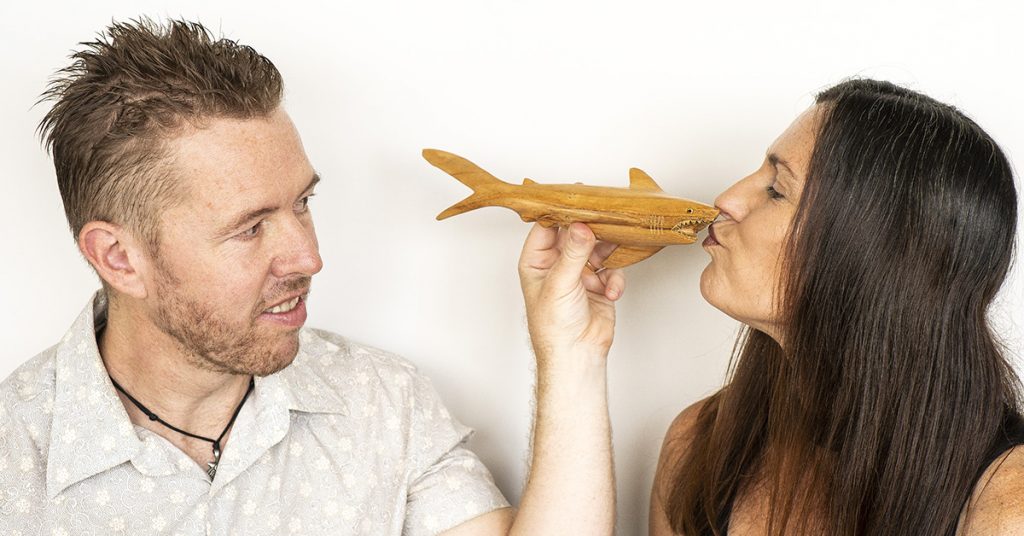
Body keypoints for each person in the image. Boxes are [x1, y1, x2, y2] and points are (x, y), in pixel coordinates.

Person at [0, 18, 618, 535]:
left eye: (302, 203)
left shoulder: (382, 402)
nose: (308, 258)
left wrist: (572, 352)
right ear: (118, 258)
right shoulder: (13, 461)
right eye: (250, 228)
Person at [634, 80, 1023, 535]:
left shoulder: (1006, 506)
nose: (727, 200)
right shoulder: (697, 446)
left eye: (776, 190)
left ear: (874, 255)